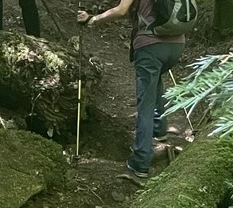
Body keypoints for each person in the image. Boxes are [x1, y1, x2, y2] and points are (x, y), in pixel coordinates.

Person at [78, 0, 184, 182]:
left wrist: (92, 20)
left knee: (145, 105)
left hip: (150, 45)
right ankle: (160, 130)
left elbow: (121, 10)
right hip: (176, 44)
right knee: (155, 81)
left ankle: (140, 164)